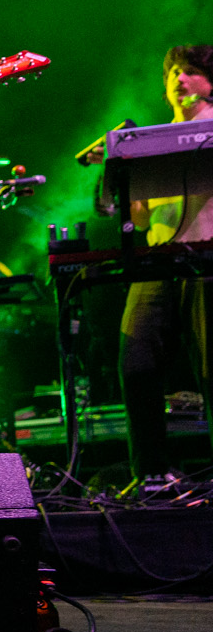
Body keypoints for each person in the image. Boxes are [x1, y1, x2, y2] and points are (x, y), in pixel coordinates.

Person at [119, 44, 213, 491]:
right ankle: (153, 474)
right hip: (158, 258)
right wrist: (123, 179)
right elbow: (138, 218)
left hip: (207, 256)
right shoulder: (151, 138)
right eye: (174, 71)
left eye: (191, 71)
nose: (179, 78)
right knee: (136, 362)